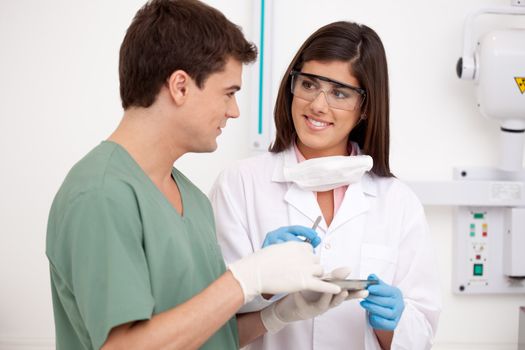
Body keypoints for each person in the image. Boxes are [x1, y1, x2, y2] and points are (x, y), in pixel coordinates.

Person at [45, 1, 348, 349]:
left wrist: (278, 313)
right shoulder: (100, 195)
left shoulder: (193, 200)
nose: (234, 111)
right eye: (229, 93)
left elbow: (207, 333)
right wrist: (244, 279)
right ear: (180, 86)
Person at [210, 21, 442, 349]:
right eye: (308, 84)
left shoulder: (397, 202)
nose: (318, 105)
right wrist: (260, 282)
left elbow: (421, 334)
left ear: (365, 108)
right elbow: (211, 319)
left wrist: (393, 323)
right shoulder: (239, 185)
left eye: (339, 93)